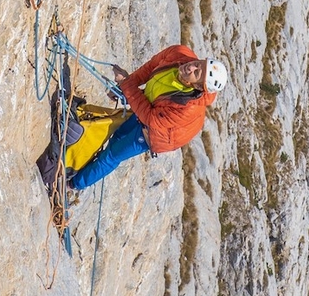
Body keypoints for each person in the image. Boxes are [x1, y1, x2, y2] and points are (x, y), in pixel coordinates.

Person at [64, 46, 228, 193]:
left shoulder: (187, 109)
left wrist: (127, 86)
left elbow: (150, 118)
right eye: (198, 64)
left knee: (111, 156)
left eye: (196, 72)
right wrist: (125, 85)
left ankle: (73, 185)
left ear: (198, 87)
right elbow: (150, 68)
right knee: (116, 135)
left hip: (154, 133)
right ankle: (77, 162)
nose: (191, 67)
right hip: (150, 108)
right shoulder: (179, 53)